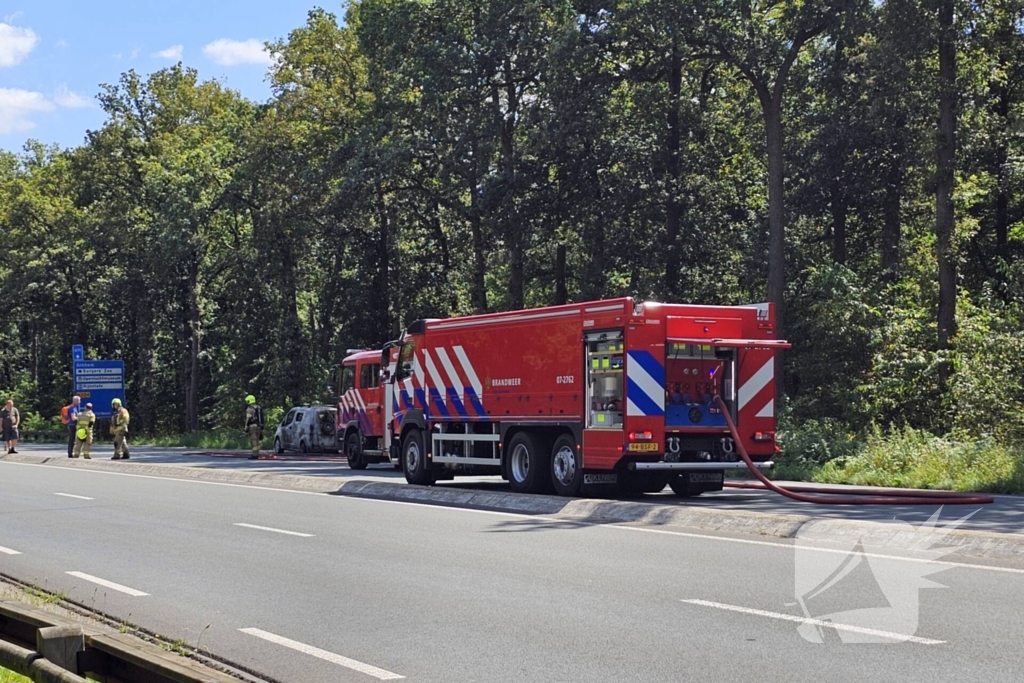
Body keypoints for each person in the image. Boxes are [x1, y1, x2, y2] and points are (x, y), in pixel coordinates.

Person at [244, 394, 264, 460]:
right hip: (259, 426)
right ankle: (257, 453)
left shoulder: (249, 409)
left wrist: (246, 426)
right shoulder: (258, 407)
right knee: (257, 441)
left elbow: (248, 418)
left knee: (253, 441)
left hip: (252, 427)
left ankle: (254, 455)